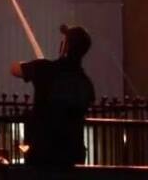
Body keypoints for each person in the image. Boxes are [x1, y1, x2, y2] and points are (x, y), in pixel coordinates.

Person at [10, 24, 96, 172]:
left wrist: (30, 66)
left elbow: (15, 69)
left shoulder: (44, 69)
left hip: (42, 153)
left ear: (65, 46)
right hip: (72, 156)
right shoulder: (86, 84)